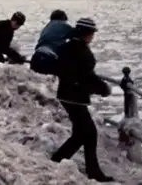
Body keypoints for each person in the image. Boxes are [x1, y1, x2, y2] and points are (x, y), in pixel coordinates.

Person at [50, 17, 114, 182]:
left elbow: (63, 69)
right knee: (89, 133)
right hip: (76, 97)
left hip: (65, 94)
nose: (93, 36)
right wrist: (104, 89)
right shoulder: (84, 53)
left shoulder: (65, 47)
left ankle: (59, 159)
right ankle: (93, 172)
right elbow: (88, 78)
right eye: (92, 33)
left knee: (80, 133)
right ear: (87, 34)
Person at [30, 9, 73, 75]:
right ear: (63, 19)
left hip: (36, 57)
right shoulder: (62, 24)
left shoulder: (46, 27)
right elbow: (80, 35)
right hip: (49, 58)